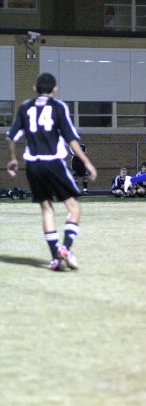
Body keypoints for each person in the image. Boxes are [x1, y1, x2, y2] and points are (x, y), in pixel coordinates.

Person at [5, 72, 97, 271]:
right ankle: (66, 248)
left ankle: (55, 257)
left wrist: (12, 159)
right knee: (74, 207)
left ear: (34, 88)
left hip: (33, 165)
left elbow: (10, 137)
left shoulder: (25, 107)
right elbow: (71, 139)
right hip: (53, 162)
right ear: (54, 89)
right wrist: (87, 162)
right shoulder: (58, 107)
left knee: (47, 209)